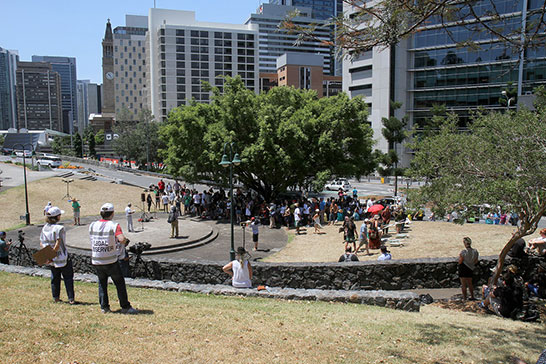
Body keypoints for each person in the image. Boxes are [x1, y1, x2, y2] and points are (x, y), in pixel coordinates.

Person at [89, 203, 137, 314]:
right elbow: (121, 239)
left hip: (97, 258)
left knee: (102, 283)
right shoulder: (114, 225)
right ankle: (125, 306)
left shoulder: (92, 225)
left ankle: (104, 307)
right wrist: (126, 242)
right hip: (110, 259)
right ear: (112, 213)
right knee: (119, 283)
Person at [40, 207, 75, 304]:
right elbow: (58, 243)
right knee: (68, 278)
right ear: (57, 217)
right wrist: (52, 254)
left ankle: (56, 297)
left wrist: (48, 256)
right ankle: (71, 298)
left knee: (55, 277)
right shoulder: (60, 228)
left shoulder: (45, 228)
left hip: (50, 257)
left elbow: (42, 242)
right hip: (61, 256)